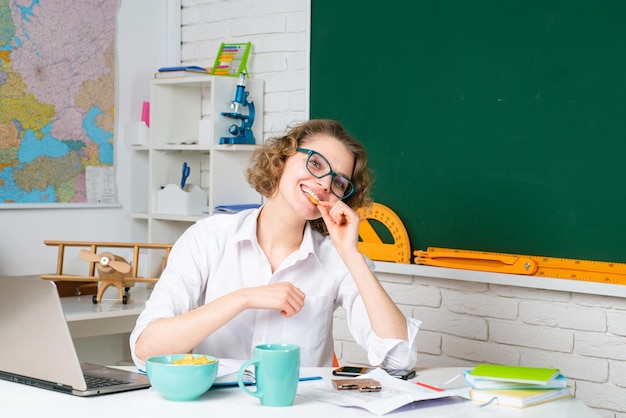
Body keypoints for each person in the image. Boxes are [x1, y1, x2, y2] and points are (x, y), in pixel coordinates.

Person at [130, 119, 421, 369]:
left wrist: (351, 254)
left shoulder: (337, 259)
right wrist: (242, 299)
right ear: (282, 158)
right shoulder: (208, 238)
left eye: (338, 182)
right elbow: (146, 350)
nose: (323, 184)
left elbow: (398, 359)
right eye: (316, 163)